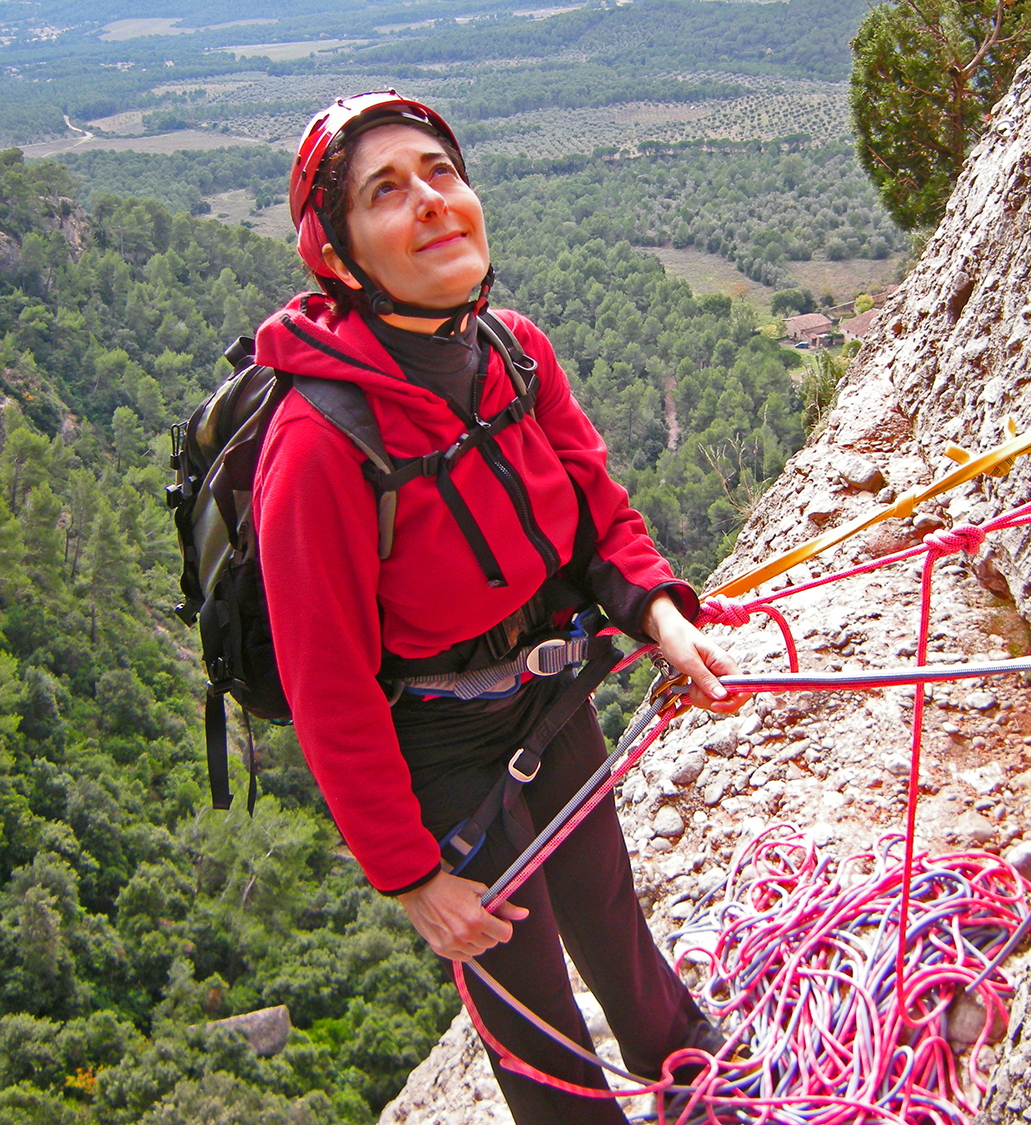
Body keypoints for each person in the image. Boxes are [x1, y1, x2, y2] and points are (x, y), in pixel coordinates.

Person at [251, 91, 745, 1124]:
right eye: (387, 191)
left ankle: (688, 1066)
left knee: (606, 901)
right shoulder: (319, 445)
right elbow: (328, 689)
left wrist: (662, 617)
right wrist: (410, 878)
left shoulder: (512, 351)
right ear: (338, 255)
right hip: (440, 746)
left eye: (441, 172)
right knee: (526, 998)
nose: (431, 200)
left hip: (550, 688)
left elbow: (597, 512)